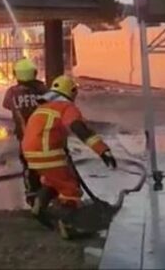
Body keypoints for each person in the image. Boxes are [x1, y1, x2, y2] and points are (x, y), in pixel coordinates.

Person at [22, 75, 116, 221]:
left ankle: (39, 206)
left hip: (30, 154)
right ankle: (68, 223)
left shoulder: (42, 108)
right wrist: (103, 150)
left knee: (53, 181)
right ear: (72, 92)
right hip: (47, 153)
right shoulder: (67, 107)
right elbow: (78, 128)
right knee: (70, 188)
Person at [2, 58, 48, 206]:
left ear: (16, 74)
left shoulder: (11, 92)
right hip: (44, 135)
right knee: (48, 164)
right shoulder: (43, 89)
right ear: (34, 73)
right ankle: (48, 192)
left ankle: (32, 195)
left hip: (24, 137)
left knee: (29, 165)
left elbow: (6, 105)